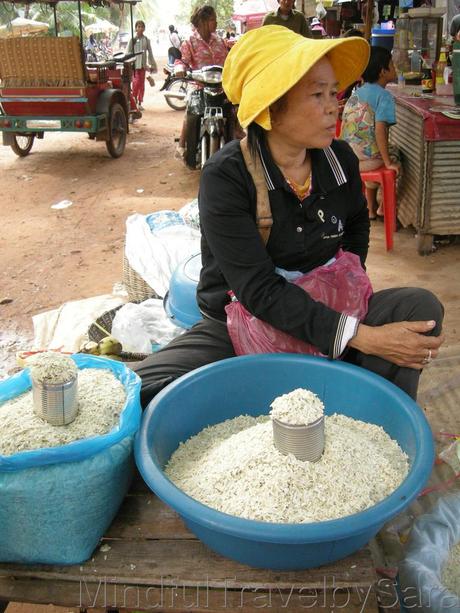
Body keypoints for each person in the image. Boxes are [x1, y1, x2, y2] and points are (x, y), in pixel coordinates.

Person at [135, 25, 444, 407]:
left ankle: (368, 416)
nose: (334, 106)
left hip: (327, 310)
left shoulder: (340, 159)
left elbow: (358, 227)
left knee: (420, 313)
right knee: (142, 391)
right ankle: (327, 378)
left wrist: (342, 291)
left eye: (334, 93)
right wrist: (358, 336)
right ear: (270, 108)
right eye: (317, 95)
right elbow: (259, 291)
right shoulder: (227, 176)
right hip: (242, 320)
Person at [340, 45, 400, 219]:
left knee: (377, 150)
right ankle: (383, 207)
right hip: (367, 161)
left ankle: (370, 206)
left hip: (348, 158)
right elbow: (381, 130)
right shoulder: (384, 96)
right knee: (396, 155)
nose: (395, 68)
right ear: (383, 71)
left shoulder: (356, 93)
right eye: (392, 64)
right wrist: (388, 162)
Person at [174, 5, 228, 160]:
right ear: (203, 22)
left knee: (233, 109)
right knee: (190, 110)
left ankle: (235, 135)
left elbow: (230, 60)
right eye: (213, 20)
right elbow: (181, 61)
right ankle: (182, 145)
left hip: (221, 86)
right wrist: (179, 68)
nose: (216, 23)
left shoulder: (220, 41)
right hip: (199, 85)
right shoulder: (190, 42)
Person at [127, 20, 157, 111]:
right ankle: (134, 101)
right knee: (135, 84)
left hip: (143, 66)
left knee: (141, 85)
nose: (140, 28)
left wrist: (152, 65)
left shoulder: (146, 40)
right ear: (135, 28)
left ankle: (140, 102)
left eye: (142, 26)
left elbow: (150, 53)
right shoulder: (132, 39)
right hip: (134, 66)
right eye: (138, 26)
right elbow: (128, 52)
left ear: (144, 28)